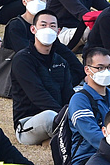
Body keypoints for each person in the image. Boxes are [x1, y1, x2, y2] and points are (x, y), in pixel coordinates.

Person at [9, 10, 73, 145]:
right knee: (50, 116)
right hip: (29, 123)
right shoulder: (22, 59)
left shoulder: (61, 61)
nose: (48, 29)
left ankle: (54, 139)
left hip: (59, 117)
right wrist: (65, 115)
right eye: (43, 25)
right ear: (33, 29)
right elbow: (37, 95)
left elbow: (68, 94)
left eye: (52, 26)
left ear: (58, 31)